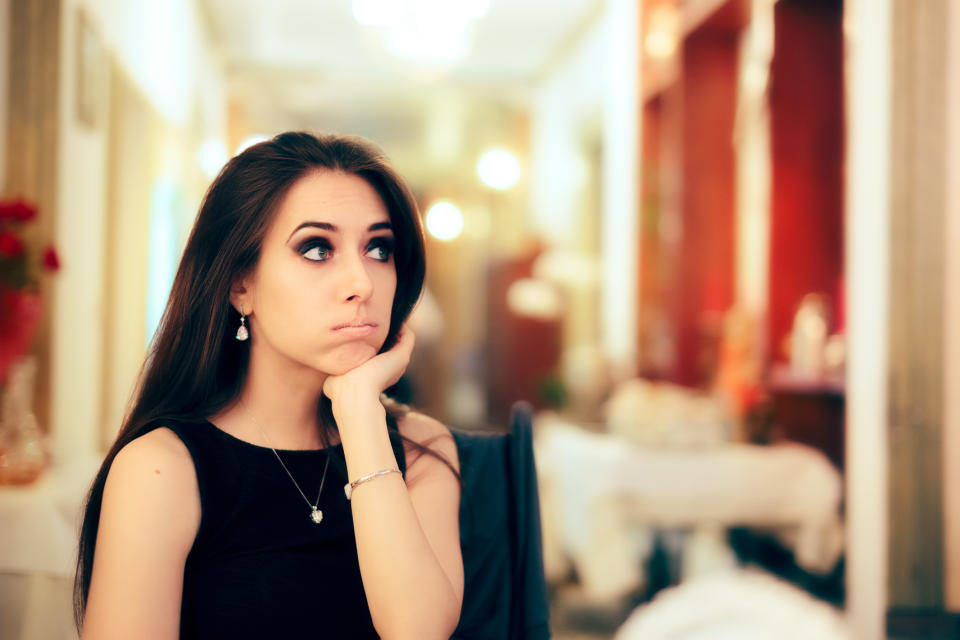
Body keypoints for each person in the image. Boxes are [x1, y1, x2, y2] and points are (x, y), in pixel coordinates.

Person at [73, 132, 464, 639]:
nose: (362, 284)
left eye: (378, 248)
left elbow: (418, 632)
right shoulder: (159, 469)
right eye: (318, 249)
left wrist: (359, 410)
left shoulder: (422, 451)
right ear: (242, 285)